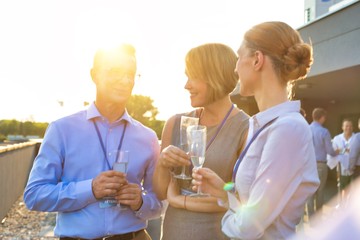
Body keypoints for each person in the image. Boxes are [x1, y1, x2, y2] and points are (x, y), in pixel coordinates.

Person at [191, 21, 320, 239]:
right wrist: (224, 191)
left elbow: (249, 226)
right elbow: (252, 206)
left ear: (257, 60)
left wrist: (227, 220)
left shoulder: (288, 129)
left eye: (240, 57)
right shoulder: (261, 125)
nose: (235, 67)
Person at [24, 44, 163, 239]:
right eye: (115, 71)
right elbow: (34, 196)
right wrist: (89, 189)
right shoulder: (61, 130)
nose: (125, 80)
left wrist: (141, 202)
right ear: (94, 75)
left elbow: (159, 203)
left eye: (131, 74)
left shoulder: (148, 137)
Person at [152, 43, 249, 240]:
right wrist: (162, 164)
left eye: (192, 77)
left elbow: (239, 195)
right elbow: (161, 193)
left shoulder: (245, 128)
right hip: (174, 232)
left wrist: (180, 200)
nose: (186, 85)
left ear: (214, 77)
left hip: (217, 233)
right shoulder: (176, 123)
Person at [307, 108, 339, 220]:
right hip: (320, 164)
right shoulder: (324, 131)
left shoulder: (306, 129)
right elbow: (330, 151)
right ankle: (318, 219)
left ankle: (311, 218)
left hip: (308, 165)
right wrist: (337, 152)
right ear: (322, 117)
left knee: (309, 193)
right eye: (324, 117)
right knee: (320, 192)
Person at [331, 119, 354, 203]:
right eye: (346, 126)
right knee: (342, 188)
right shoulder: (337, 138)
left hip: (354, 169)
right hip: (342, 168)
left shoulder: (356, 138)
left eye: (350, 126)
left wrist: (341, 150)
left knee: (353, 189)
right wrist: (345, 150)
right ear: (342, 127)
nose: (349, 128)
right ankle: (342, 205)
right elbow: (333, 151)